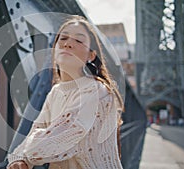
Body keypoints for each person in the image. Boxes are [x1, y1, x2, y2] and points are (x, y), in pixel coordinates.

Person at [7, 15, 124, 169]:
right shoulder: (56, 92)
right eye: (63, 39)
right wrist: (19, 158)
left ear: (91, 55)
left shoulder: (97, 91)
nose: (68, 44)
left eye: (79, 40)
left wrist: (26, 151)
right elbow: (35, 132)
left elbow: (52, 142)